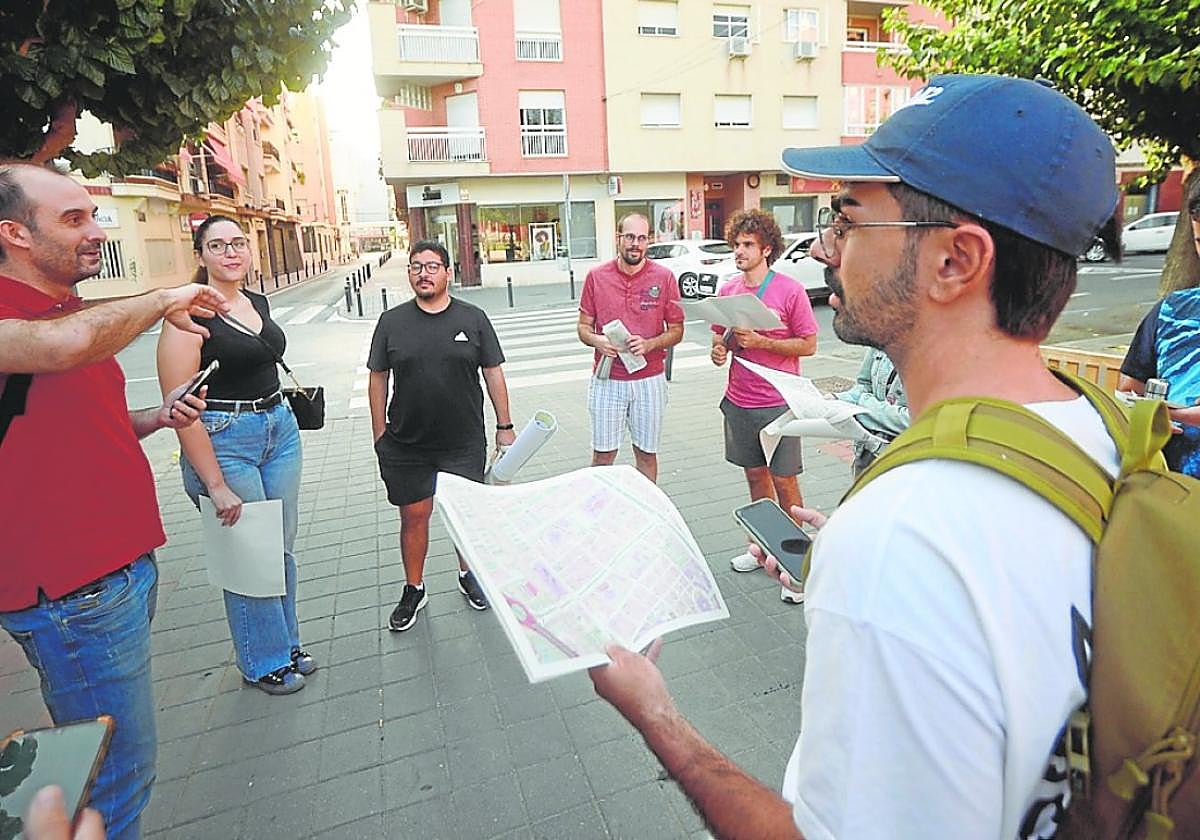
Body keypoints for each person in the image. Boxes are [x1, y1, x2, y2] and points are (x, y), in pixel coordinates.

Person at [589, 74, 1121, 838]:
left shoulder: (898, 539)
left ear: (955, 262)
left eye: (847, 220)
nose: (828, 250)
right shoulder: (1106, 432)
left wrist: (656, 713)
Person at [0, 161, 229, 840]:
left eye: (93, 214)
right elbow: (61, 349)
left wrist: (155, 418)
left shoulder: (71, 311)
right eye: (74, 219)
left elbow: (68, 416)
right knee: (114, 779)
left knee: (97, 760)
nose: (97, 231)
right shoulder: (32, 324)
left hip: (114, 573)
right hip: (72, 592)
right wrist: (163, 298)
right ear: (13, 233)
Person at [157, 214, 314, 696]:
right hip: (224, 435)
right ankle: (260, 659)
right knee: (249, 552)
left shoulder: (257, 301)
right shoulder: (189, 315)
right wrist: (216, 484)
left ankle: (285, 642)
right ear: (200, 255)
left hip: (279, 427)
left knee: (279, 547)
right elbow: (180, 409)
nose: (231, 252)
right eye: (219, 245)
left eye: (239, 243)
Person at [369, 240, 517, 632]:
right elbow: (378, 377)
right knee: (414, 516)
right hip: (406, 442)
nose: (424, 273)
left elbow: (494, 373)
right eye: (416, 266)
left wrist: (505, 426)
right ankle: (414, 587)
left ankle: (469, 575)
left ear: (447, 273)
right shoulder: (391, 322)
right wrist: (379, 433)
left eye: (432, 266)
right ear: (409, 274)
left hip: (463, 440)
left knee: (465, 516)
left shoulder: (474, 318)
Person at [711, 209, 818, 601]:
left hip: (779, 403)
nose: (738, 251)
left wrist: (763, 342)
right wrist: (720, 349)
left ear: (766, 249)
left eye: (747, 245)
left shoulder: (788, 291)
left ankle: (801, 566)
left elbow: (808, 343)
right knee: (755, 478)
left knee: (785, 481)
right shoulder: (728, 292)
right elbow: (721, 339)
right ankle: (764, 549)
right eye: (736, 244)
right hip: (739, 400)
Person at [577, 213, 684, 482]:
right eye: (629, 237)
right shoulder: (596, 276)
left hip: (650, 381)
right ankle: (599, 513)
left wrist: (650, 344)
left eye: (641, 238)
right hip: (608, 381)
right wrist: (598, 340)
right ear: (618, 238)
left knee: (646, 455)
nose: (635, 244)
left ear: (648, 241)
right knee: (603, 456)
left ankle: (647, 511)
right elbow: (582, 328)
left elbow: (677, 330)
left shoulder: (664, 277)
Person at [1118, 181, 1200, 475]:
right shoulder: (1172, 312)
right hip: (1169, 490)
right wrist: (1144, 413)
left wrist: (1175, 414)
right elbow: (1129, 391)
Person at [834, 347, 909, 476]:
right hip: (870, 455)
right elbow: (864, 384)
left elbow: (918, 419)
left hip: (909, 461)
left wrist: (861, 403)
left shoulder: (940, 349)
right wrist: (838, 399)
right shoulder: (881, 336)